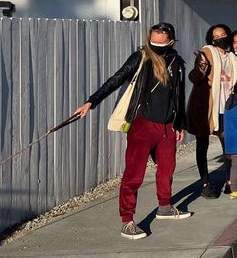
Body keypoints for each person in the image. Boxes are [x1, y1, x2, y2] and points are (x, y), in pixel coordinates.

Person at [74, 22, 189, 239]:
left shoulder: (176, 61)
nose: (156, 46)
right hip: (142, 125)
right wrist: (91, 101)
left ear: (171, 42)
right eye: (153, 41)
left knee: (167, 169)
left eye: (161, 43)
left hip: (167, 126)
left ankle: (165, 207)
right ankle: (127, 220)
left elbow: (179, 94)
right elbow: (116, 79)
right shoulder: (141, 57)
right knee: (134, 174)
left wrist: (180, 123)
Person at [187, 24, 237, 199]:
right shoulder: (207, 53)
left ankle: (230, 180)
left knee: (228, 145)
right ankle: (205, 183)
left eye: (223, 35)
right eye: (216, 36)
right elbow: (195, 77)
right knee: (202, 145)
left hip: (227, 107)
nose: (220, 38)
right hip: (206, 106)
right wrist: (201, 69)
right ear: (211, 39)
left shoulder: (233, 58)